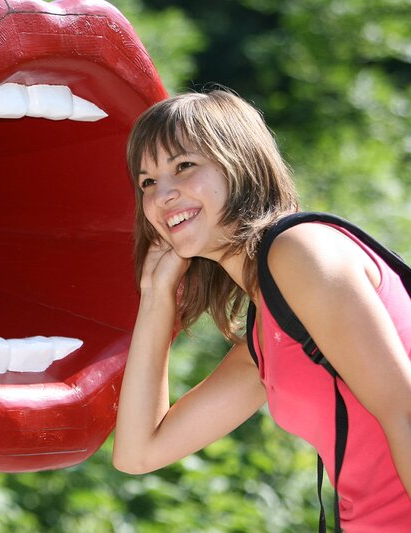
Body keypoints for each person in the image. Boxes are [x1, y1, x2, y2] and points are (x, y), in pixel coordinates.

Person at [112, 89, 410, 530]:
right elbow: (139, 452)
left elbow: (404, 409)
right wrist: (156, 296)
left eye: (184, 166)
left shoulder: (299, 251)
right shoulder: (267, 331)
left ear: (239, 165)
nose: (163, 195)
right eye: (147, 182)